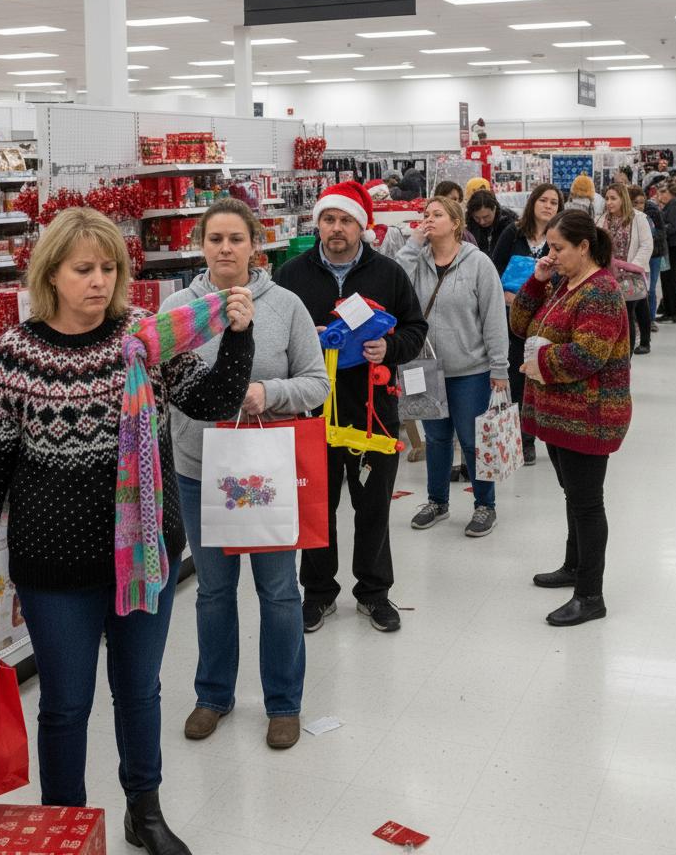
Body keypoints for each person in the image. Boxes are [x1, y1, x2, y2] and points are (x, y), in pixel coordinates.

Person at [0, 208, 255, 855]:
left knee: (139, 692)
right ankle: (65, 827)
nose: (99, 281)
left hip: (145, 555)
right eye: (83, 269)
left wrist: (238, 337)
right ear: (51, 275)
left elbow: (213, 401)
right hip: (54, 570)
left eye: (109, 268)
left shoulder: (143, 339)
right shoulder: (16, 355)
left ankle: (144, 812)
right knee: (65, 704)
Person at [163, 199, 330, 751]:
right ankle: (213, 695)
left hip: (265, 472)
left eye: (236, 238)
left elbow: (317, 382)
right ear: (201, 245)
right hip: (198, 470)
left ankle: (283, 703)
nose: (226, 249)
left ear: (255, 244)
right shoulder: (178, 309)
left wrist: (268, 392)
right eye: (215, 239)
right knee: (212, 591)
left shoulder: (285, 305)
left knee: (278, 590)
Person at [275, 181, 427, 634]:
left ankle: (374, 593)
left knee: (374, 506)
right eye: (329, 219)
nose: (336, 228)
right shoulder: (292, 275)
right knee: (317, 506)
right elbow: (275, 336)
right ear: (318, 224)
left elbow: (416, 328)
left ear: (362, 227)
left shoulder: (389, 274)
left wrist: (389, 347)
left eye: (345, 220)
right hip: (311, 413)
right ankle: (318, 593)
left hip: (373, 411)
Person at [509, 210, 631, 627]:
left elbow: (588, 354)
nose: (551, 255)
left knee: (587, 503)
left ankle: (590, 595)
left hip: (589, 415)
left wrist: (539, 363)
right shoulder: (563, 283)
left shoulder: (601, 292)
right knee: (573, 496)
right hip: (560, 413)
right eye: (549, 247)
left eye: (558, 248)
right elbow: (520, 325)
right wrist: (537, 280)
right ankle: (574, 566)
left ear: (584, 247)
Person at [395, 197, 509, 537]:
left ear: (456, 223)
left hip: (470, 369)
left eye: (437, 214)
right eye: (425, 214)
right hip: (423, 367)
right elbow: (393, 286)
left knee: (473, 441)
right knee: (436, 438)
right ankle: (437, 502)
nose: (428, 219)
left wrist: (499, 368)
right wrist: (412, 245)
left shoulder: (478, 263)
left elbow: (493, 318)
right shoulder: (417, 260)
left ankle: (485, 505)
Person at [491, 183, 564, 466]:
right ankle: (520, 438)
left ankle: (537, 436)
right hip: (511, 317)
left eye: (554, 202)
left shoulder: (560, 239)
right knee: (516, 378)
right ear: (533, 202)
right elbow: (494, 268)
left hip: (546, 318)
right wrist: (503, 293)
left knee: (540, 377)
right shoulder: (513, 232)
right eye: (543, 200)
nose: (548, 206)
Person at [597, 183, 653, 355]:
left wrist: (632, 267)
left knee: (628, 315)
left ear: (623, 199)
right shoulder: (601, 219)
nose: (609, 202)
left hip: (631, 276)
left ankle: (626, 357)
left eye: (613, 198)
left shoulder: (638, 218)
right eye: (607, 198)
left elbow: (646, 245)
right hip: (608, 277)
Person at [629, 185, 666, 329]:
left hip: (654, 255)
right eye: (635, 203)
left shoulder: (652, 212)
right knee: (634, 289)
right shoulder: (627, 215)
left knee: (650, 288)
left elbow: (661, 233)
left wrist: (647, 237)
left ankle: (650, 320)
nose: (639, 206)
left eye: (641, 202)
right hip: (635, 256)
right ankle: (635, 319)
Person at [656, 180, 676, 324]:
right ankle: (670, 311)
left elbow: (672, 227)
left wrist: (658, 231)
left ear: (671, 192)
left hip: (675, 246)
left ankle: (674, 312)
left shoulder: (675, 203)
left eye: (664, 192)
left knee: (669, 279)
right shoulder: (674, 203)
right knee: (668, 278)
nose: (661, 195)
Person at [467, 188, 515, 256]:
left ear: (494, 209)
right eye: (477, 218)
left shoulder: (509, 225)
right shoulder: (469, 225)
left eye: (486, 217)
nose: (482, 222)